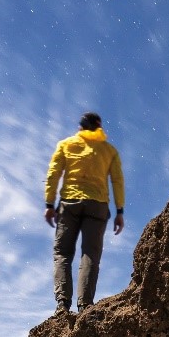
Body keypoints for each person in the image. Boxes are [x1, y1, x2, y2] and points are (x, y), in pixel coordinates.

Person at [43, 112, 125, 312]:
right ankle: (85, 305)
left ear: (81, 126)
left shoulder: (66, 144)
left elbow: (53, 173)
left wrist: (49, 204)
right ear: (99, 128)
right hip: (97, 205)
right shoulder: (109, 150)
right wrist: (119, 211)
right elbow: (117, 181)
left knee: (62, 253)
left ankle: (62, 304)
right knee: (90, 255)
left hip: (69, 204)